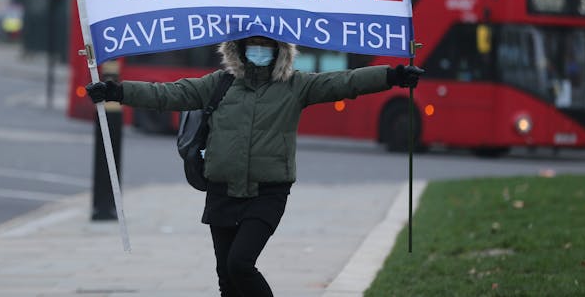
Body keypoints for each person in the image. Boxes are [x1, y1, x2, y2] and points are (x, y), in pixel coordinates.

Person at [86, 36, 424, 296]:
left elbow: (346, 82)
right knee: (225, 277)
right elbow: (168, 94)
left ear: (280, 51)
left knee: (240, 264)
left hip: (267, 191)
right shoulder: (220, 84)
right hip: (222, 190)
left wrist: (392, 75)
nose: (259, 51)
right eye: (253, 46)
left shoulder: (296, 86)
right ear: (239, 48)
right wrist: (117, 91)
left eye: (267, 46)